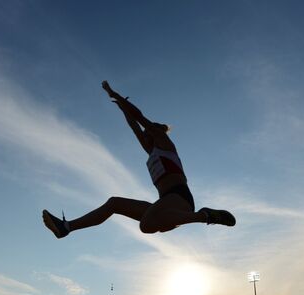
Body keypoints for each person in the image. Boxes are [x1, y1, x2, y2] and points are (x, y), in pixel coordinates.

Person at [42, 81, 235, 239]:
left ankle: (205, 215)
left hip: (180, 198)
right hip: (166, 203)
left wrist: (115, 95)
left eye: (151, 130)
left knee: (146, 225)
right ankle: (66, 227)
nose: (146, 133)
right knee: (114, 203)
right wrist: (122, 108)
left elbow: (139, 117)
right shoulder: (151, 152)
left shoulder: (164, 142)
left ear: (157, 131)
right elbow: (133, 125)